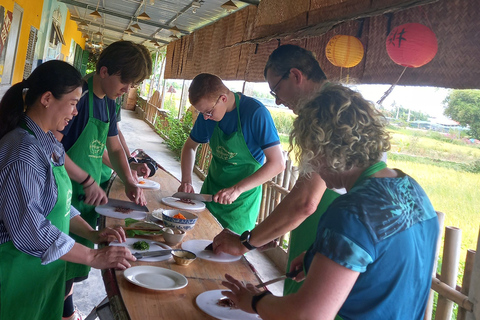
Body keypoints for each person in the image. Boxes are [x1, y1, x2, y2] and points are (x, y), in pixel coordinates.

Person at [221, 83, 439, 320]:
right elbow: (385, 262)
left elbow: (306, 315)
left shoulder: (351, 213)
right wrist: (317, 258)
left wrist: (254, 300)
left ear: (324, 149)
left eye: (309, 154)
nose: (310, 166)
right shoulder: (413, 189)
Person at [0, 60, 135, 320]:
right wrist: (93, 257)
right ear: (47, 99)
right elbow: (30, 228)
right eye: (73, 103)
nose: (75, 112)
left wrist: (92, 235)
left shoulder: (49, 142)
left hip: (40, 273)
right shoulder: (22, 152)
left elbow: (58, 205)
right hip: (15, 274)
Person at [211, 44, 341, 295]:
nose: (278, 100)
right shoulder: (339, 104)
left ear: (295, 75)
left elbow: (305, 201)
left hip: (339, 225)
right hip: (331, 228)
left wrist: (245, 243)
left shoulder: (324, 116)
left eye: (277, 89)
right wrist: (273, 228)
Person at [53, 40, 151, 320]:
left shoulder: (110, 102)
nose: (127, 90)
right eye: (125, 82)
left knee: (70, 272)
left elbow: (115, 148)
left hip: (87, 198)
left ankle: (67, 312)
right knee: (59, 266)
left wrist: (130, 180)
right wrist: (85, 180)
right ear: (104, 71)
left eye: (132, 85)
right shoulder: (78, 99)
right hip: (65, 197)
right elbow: (52, 148)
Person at [178, 73, 285, 234]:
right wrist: (186, 180)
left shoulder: (255, 113)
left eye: (208, 112)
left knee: (228, 254)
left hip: (240, 204)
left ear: (223, 98)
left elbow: (278, 163)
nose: (206, 118)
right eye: (203, 113)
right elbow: (190, 147)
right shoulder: (208, 116)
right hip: (209, 195)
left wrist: (237, 189)